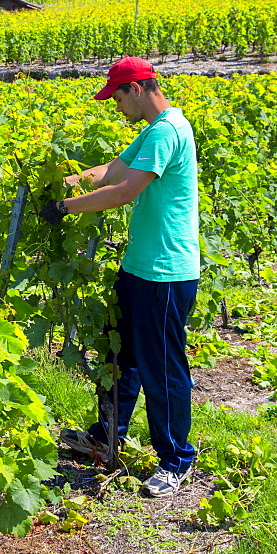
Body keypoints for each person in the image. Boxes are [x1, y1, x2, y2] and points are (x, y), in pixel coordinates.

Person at [39, 56, 200, 498]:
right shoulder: (152, 131)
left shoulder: (167, 132)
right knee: (121, 359)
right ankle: (107, 435)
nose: (115, 107)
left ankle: (175, 459)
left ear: (138, 88)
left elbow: (127, 191)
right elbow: (111, 171)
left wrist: (65, 209)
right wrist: (64, 182)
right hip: (139, 268)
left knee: (162, 368)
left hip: (165, 273)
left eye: (117, 97)